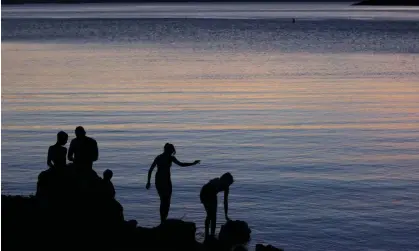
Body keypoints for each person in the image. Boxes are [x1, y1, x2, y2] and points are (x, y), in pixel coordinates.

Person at [146, 143, 200, 223]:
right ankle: (163, 220)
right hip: (166, 181)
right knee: (166, 201)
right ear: (169, 150)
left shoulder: (158, 157)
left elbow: (150, 170)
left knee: (162, 200)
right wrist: (193, 163)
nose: (172, 152)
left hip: (158, 180)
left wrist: (148, 182)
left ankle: (162, 220)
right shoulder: (170, 158)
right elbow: (181, 164)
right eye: (172, 150)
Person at [200, 172, 234, 241]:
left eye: (230, 184)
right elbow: (208, 191)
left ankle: (212, 235)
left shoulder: (226, 187)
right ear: (225, 180)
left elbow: (225, 202)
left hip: (212, 194)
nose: (229, 185)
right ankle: (207, 235)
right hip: (205, 193)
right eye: (229, 183)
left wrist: (226, 215)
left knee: (213, 216)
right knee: (210, 215)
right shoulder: (216, 182)